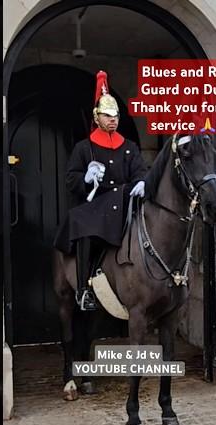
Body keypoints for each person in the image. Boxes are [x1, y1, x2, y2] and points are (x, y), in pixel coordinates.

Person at [54, 71, 148, 311]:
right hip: (97, 203)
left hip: (125, 199)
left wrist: (141, 181)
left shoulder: (129, 146)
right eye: (107, 115)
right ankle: (84, 289)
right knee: (83, 223)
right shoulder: (84, 148)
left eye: (116, 115)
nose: (113, 119)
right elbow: (71, 179)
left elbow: (139, 169)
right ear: (97, 117)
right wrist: (85, 178)